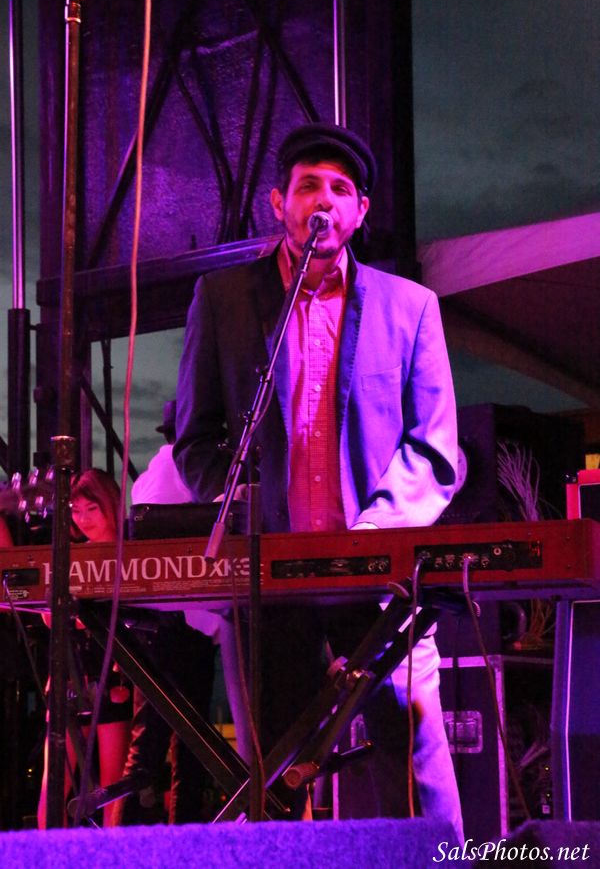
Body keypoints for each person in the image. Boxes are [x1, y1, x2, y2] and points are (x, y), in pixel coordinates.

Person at [174, 122, 462, 837]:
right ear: (279, 203)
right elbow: (196, 439)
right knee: (275, 785)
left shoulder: (411, 306)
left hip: (381, 579)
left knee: (414, 769)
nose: (323, 200)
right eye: (308, 186)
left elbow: (435, 450)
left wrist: (376, 534)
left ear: (360, 210)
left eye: (340, 189)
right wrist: (237, 504)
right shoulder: (222, 299)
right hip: (268, 586)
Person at [115, 402, 218, 824]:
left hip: (152, 625)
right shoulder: (193, 472)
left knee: (147, 745)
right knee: (191, 748)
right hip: (189, 623)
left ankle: (120, 839)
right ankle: (184, 838)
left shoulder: (146, 479)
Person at [37, 468, 132, 828]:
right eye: (75, 511)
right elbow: (48, 618)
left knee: (112, 787)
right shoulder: (71, 556)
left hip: (114, 677)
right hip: (69, 673)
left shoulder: (132, 555)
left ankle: (109, 853)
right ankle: (48, 852)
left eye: (91, 509)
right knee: (53, 784)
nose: (83, 519)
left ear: (111, 505)